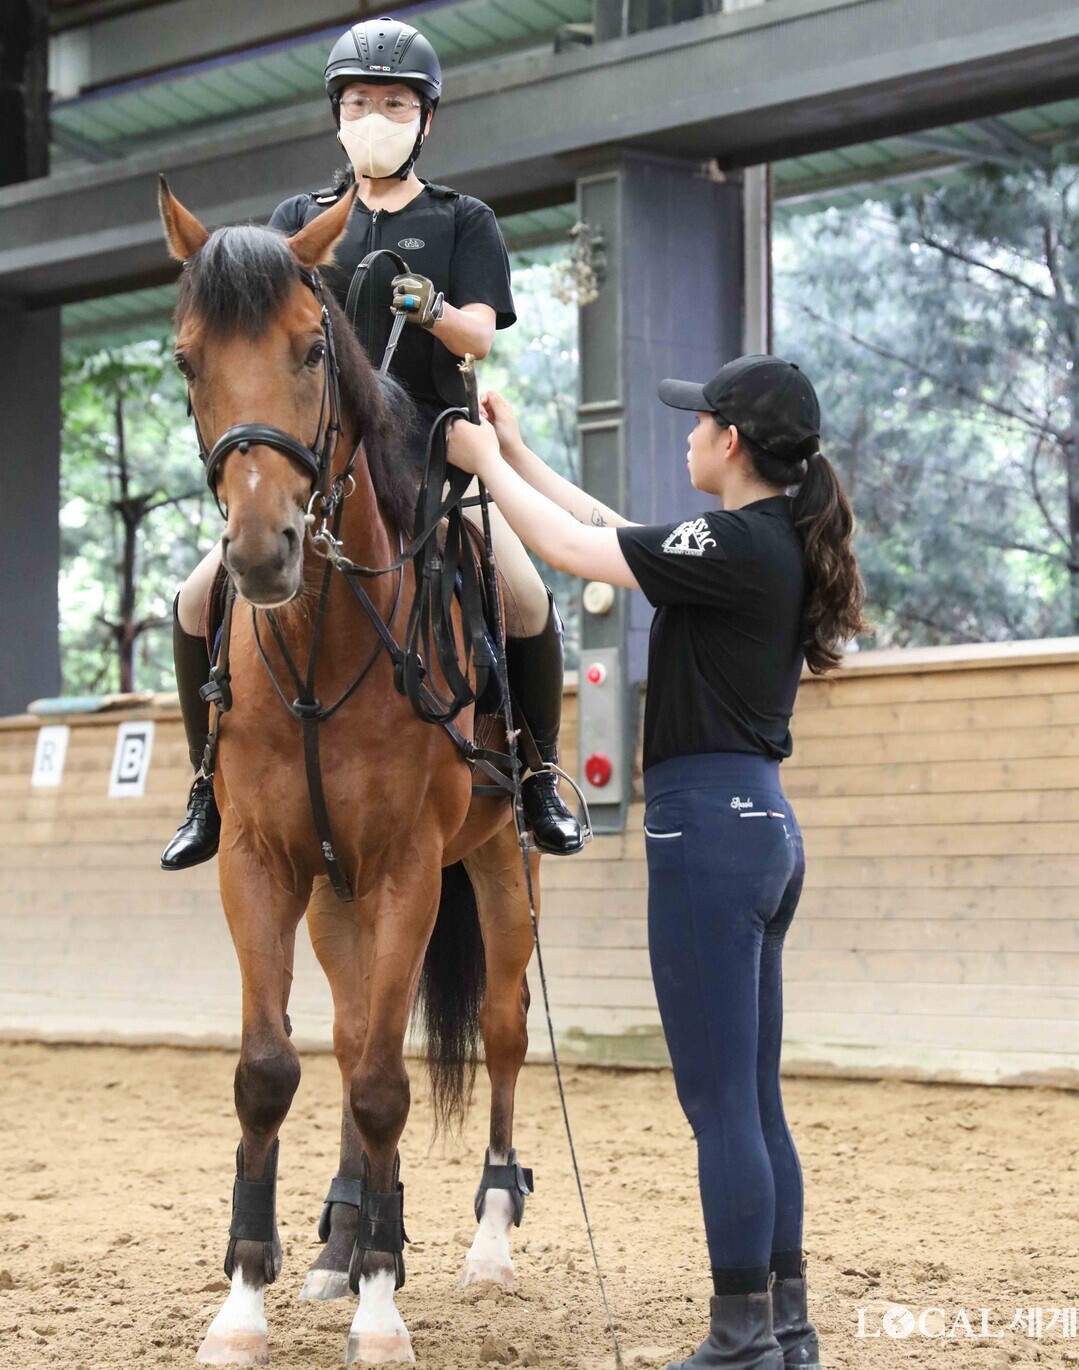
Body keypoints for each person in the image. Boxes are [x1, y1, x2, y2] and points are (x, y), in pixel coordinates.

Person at [447, 355, 866, 1369]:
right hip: (756, 822)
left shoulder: (732, 542)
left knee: (717, 1103)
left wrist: (477, 466)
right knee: (752, 1098)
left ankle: (738, 1337)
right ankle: (784, 1325)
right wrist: (515, 452)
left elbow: (565, 549)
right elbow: (602, 525)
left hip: (704, 831)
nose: (684, 434)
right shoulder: (758, 539)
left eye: (696, 420)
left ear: (729, 443)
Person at [160, 15, 582, 872]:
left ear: (426, 119)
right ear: (337, 113)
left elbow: (477, 339)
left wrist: (429, 309)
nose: (375, 116)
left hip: (432, 447)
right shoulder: (297, 219)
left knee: (528, 596)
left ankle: (535, 773)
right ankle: (207, 784)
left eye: (395, 103)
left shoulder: (463, 219)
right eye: (360, 102)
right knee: (195, 600)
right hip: (323, 463)